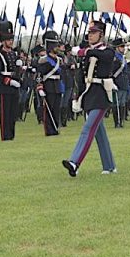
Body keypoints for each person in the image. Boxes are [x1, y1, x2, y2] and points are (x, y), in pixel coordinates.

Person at [61, 20, 117, 177]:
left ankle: (75, 162)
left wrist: (82, 51)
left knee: (88, 128)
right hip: (88, 94)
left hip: (101, 95)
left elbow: (101, 55)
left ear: (101, 34)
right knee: (100, 133)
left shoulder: (107, 51)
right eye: (89, 33)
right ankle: (110, 165)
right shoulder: (88, 52)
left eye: (94, 32)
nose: (90, 35)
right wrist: (77, 96)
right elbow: (81, 76)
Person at [0, 21, 21, 141]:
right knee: (5, 112)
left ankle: (11, 134)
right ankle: (5, 135)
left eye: (11, 39)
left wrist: (20, 69)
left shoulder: (14, 54)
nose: (11, 41)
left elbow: (16, 72)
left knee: (13, 112)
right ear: (3, 41)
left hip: (14, 86)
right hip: (5, 87)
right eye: (8, 39)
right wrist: (8, 81)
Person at [35, 31, 64, 136]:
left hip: (57, 86)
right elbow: (39, 74)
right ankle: (49, 130)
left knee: (56, 109)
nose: (58, 47)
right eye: (56, 45)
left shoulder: (59, 60)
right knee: (48, 110)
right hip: (49, 86)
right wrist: (40, 87)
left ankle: (56, 128)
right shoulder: (44, 60)